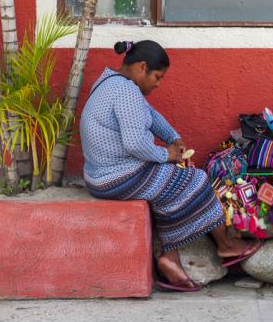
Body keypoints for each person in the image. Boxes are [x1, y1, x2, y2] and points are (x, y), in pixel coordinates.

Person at [81, 40, 261, 291]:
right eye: (157, 77)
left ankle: (170, 258)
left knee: (168, 189)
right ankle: (226, 245)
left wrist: (173, 137)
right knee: (196, 180)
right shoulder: (127, 92)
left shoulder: (109, 81)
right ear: (142, 67)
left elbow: (151, 115)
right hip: (117, 177)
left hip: (97, 176)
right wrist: (167, 155)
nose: (157, 84)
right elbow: (135, 144)